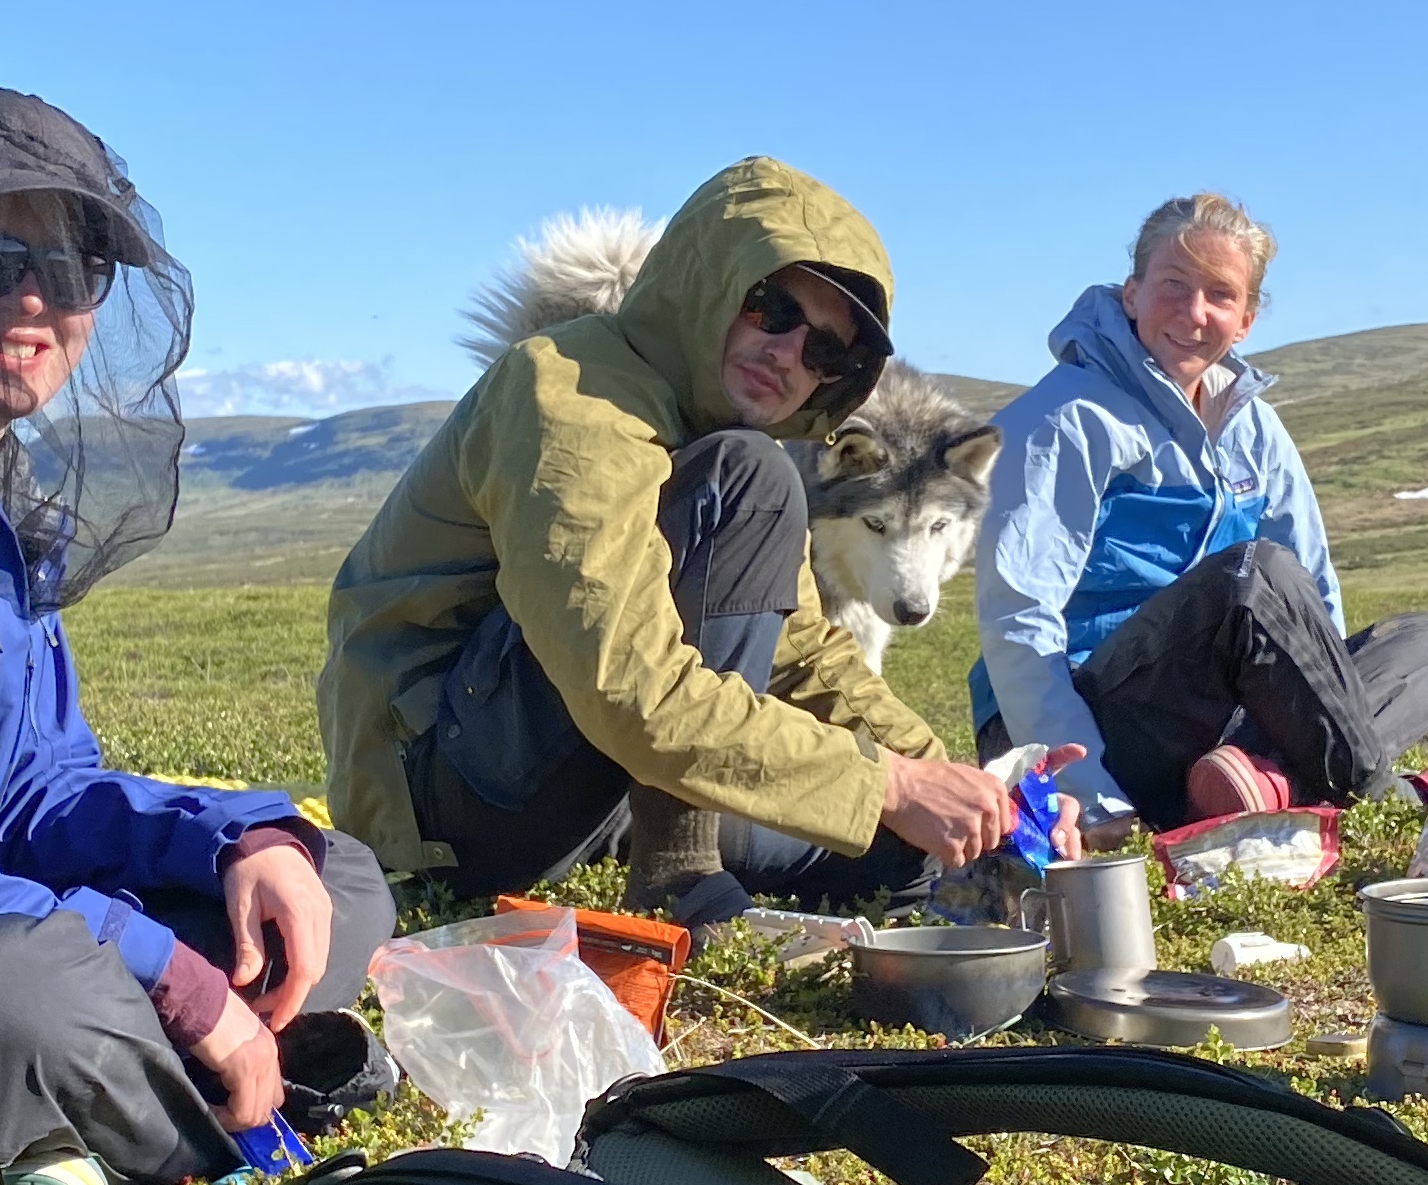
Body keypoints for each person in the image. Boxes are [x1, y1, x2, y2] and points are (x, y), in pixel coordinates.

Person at [0, 82, 395, 1185]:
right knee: (12, 989)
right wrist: (161, 966)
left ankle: (86, 1122)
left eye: (68, 270)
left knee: (328, 876)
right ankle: (236, 1092)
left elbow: (41, 791)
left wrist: (233, 838)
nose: (27, 298)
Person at [322, 158, 1037, 925]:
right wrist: (887, 783)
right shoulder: (570, 391)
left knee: (900, 844)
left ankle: (678, 849)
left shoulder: (720, 436)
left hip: (589, 789)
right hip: (445, 800)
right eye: (772, 308)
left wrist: (958, 786)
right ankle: (679, 874)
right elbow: (625, 687)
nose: (790, 354)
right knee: (753, 476)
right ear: (710, 279)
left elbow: (799, 650)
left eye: (827, 352)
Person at [974, 191, 1428, 833]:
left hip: (1211, 729)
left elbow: (1315, 601)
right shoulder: (1064, 420)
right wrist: (1088, 793)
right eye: (1173, 285)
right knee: (1251, 580)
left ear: (1246, 321)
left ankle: (1254, 784)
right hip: (1089, 726)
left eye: (1220, 294)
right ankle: (1376, 801)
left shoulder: (1255, 428)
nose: (1194, 312)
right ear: (1132, 294)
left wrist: (1316, 710)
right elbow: (1018, 619)